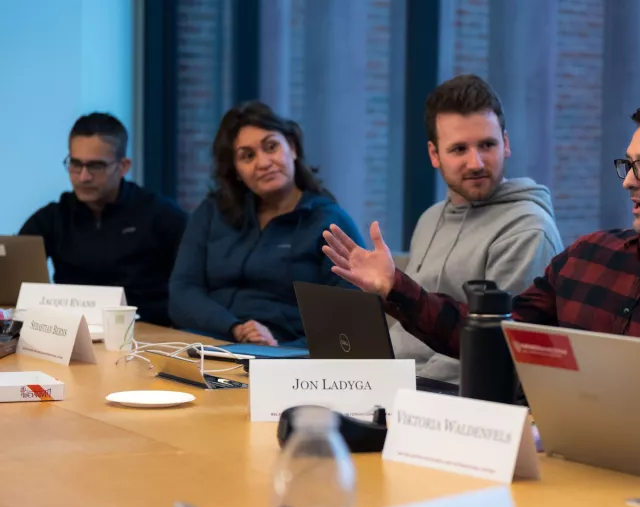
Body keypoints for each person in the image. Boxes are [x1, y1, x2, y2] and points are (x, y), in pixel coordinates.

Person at [323, 95, 640, 438]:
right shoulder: (588, 258)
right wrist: (394, 287)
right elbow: (491, 340)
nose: (630, 182)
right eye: (627, 165)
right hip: (551, 462)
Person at [391, 75, 563, 385]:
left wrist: (401, 388)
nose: (476, 163)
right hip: (400, 381)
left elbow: (500, 353)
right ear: (434, 154)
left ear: (506, 144)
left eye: (487, 145)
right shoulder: (430, 218)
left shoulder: (528, 231)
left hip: (452, 397)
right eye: (459, 149)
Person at [169, 102, 365, 346]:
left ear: (292, 148)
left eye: (271, 147)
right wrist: (236, 328)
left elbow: (351, 320)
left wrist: (281, 350)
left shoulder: (329, 222)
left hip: (287, 354)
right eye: (247, 156)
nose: (263, 163)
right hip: (208, 343)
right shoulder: (212, 211)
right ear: (237, 171)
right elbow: (182, 292)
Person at [19, 113, 187, 326]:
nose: (83, 177)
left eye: (96, 166)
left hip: (147, 333)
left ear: (123, 166)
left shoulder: (161, 215)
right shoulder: (53, 217)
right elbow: (16, 276)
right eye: (75, 164)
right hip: (70, 333)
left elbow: (192, 284)